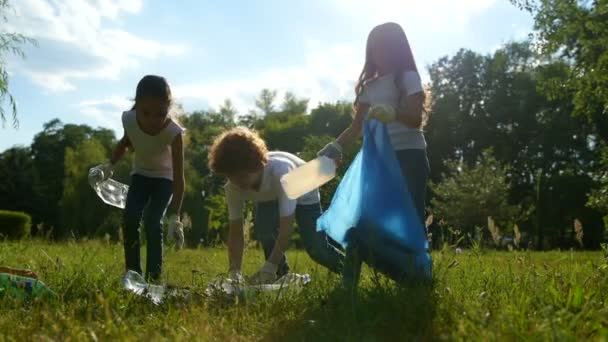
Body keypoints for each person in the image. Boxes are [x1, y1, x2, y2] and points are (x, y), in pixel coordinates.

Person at [318, 22, 431, 286]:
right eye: (374, 48)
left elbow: (415, 119)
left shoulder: (408, 77)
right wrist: (335, 146)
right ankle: (347, 289)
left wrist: (394, 114)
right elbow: (356, 127)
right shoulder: (369, 87)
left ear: (397, 49)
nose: (379, 53)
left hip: (409, 158)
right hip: (378, 162)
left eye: (385, 47)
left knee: (412, 222)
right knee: (361, 223)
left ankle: (421, 280)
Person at [208, 127, 344, 284]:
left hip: (302, 184)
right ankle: (279, 277)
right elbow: (236, 232)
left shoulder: (281, 172)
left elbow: (287, 228)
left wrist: (269, 266)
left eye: (243, 176)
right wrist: (234, 272)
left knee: (316, 247)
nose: (238, 183)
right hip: (270, 193)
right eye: (231, 177)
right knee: (265, 232)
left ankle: (349, 269)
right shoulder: (233, 187)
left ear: (257, 167)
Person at [91, 75, 185, 282]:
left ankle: (154, 277)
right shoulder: (130, 120)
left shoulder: (174, 133)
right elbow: (126, 142)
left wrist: (175, 217)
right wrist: (109, 166)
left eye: (160, 114)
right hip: (140, 176)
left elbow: (179, 177)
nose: (153, 120)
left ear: (168, 108)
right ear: (137, 106)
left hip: (164, 180)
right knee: (131, 217)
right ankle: (133, 274)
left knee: (153, 220)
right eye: (146, 113)